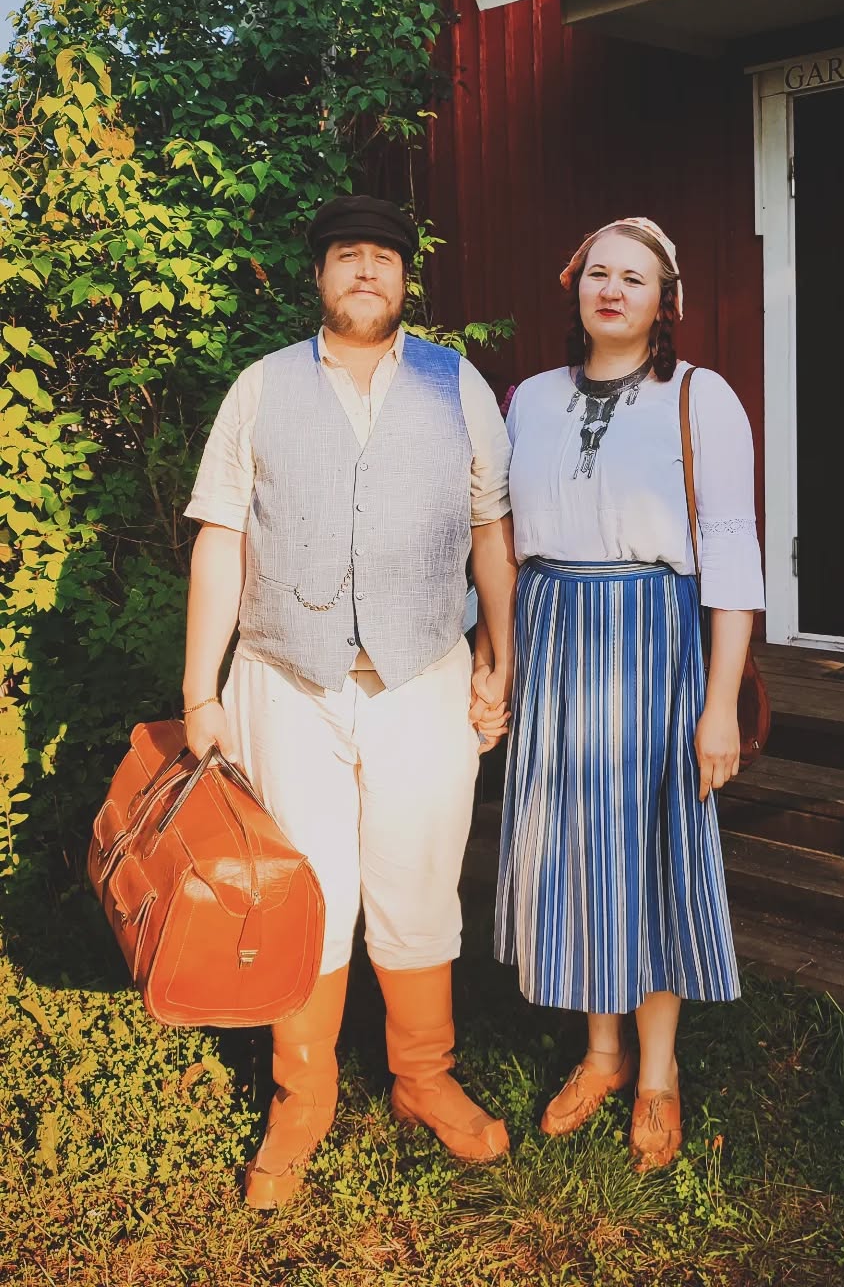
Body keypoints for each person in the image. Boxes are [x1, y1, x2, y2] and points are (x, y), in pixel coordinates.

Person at [182, 195, 516, 1208]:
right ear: (320, 276)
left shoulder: (458, 385)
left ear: (406, 278)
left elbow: (491, 533)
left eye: (383, 257)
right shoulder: (260, 388)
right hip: (287, 679)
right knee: (307, 892)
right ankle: (302, 1098)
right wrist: (200, 691)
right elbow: (220, 539)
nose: (366, 270)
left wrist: (501, 658)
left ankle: (423, 1076)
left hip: (423, 677)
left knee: (420, 879)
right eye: (346, 256)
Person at [495, 217, 765, 1172]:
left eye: (635, 279)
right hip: (553, 638)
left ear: (665, 301)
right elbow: (500, 539)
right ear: (575, 288)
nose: (613, 290)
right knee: (577, 849)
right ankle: (600, 1055)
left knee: (649, 853)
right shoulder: (529, 400)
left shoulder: (700, 397)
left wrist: (719, 703)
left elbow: (730, 554)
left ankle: (657, 1073)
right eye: (599, 274)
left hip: (653, 640)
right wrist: (498, 658)